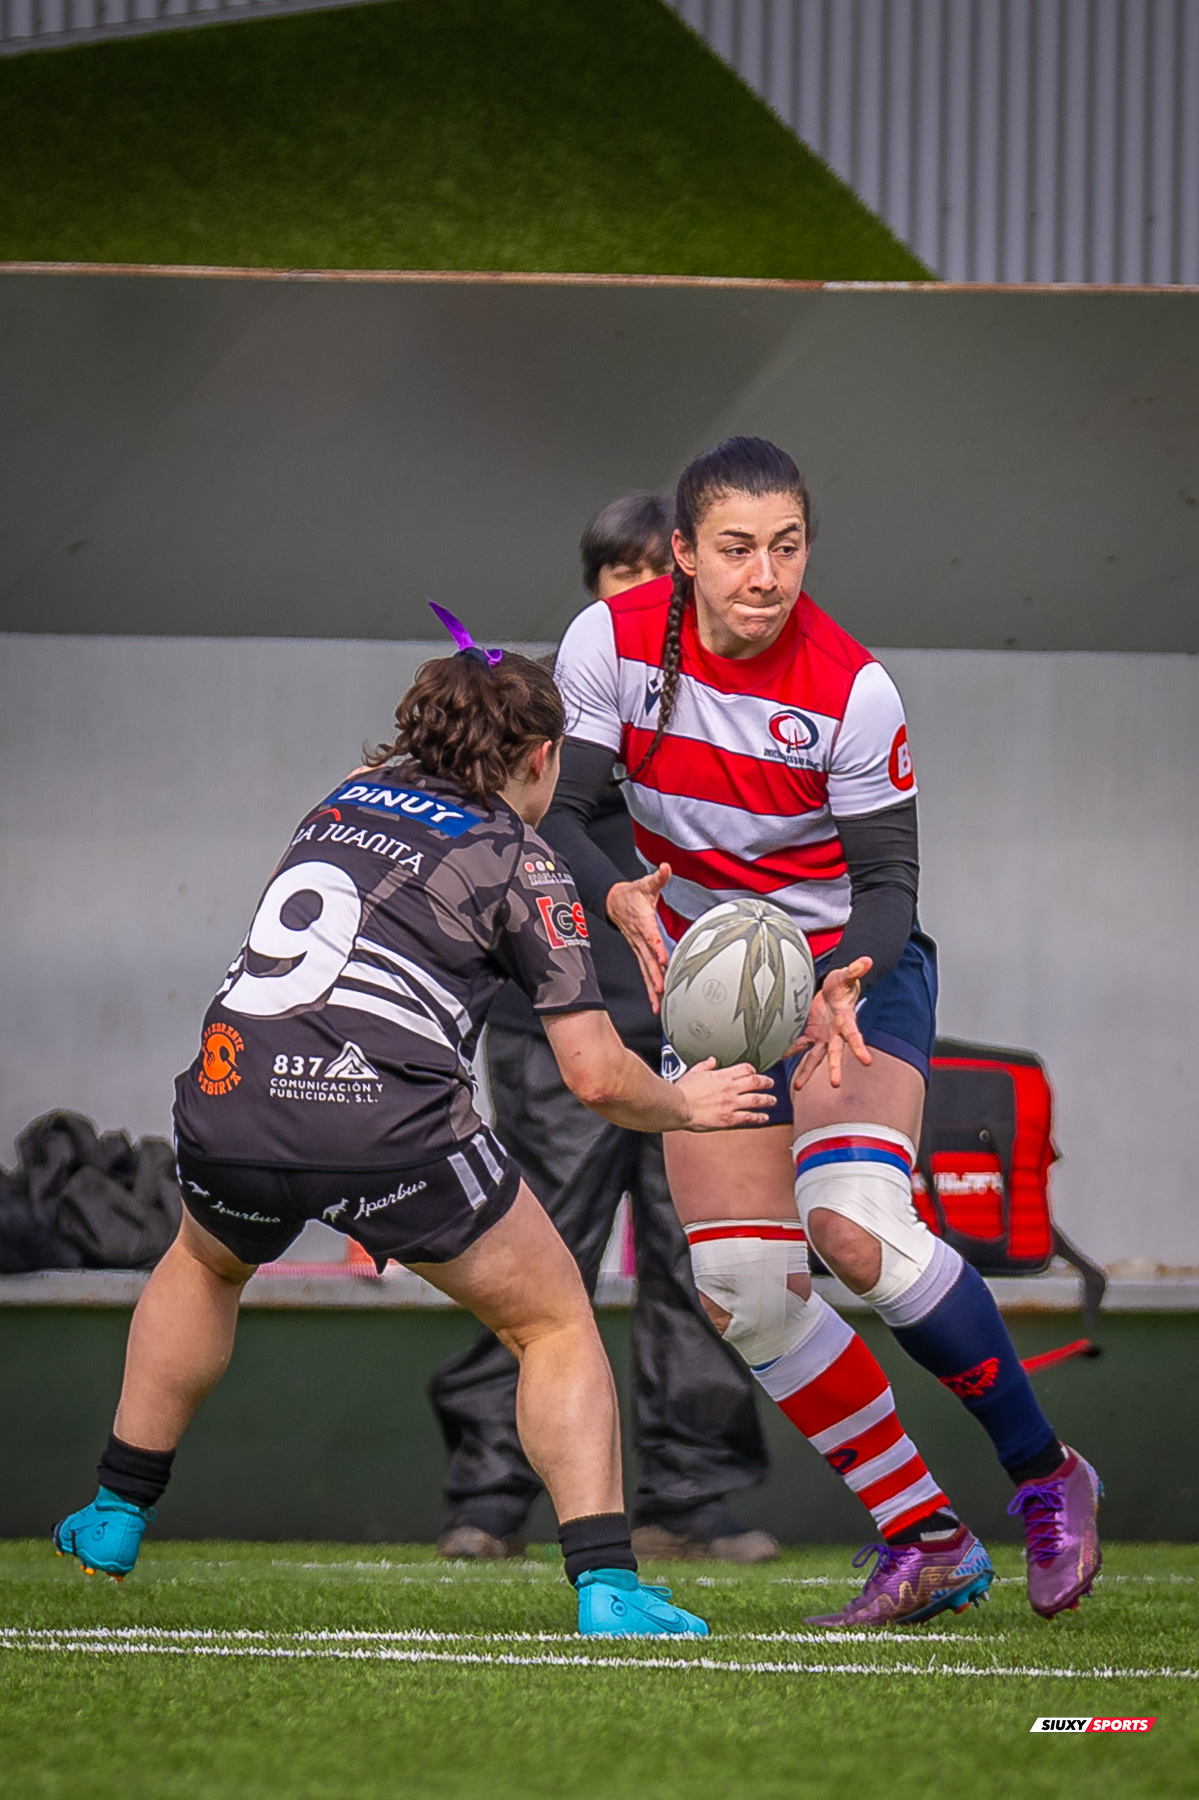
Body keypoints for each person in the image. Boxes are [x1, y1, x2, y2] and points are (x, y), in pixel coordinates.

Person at [52, 610, 779, 1638]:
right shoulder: (522, 860)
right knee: (553, 1323)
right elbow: (593, 1075)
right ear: (539, 756)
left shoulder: (340, 801)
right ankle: (608, 1586)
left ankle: (117, 1510)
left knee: (205, 1263)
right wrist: (689, 1107)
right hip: (381, 1125)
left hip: (230, 1100)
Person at [548, 436, 1102, 1626]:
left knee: (854, 1232)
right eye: (737, 549)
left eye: (786, 547)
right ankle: (926, 1538)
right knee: (743, 1284)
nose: (764, 575)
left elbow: (891, 885)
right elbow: (572, 810)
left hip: (851, 974)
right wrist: (617, 892)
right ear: (683, 554)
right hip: (714, 987)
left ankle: (1044, 1473)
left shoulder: (852, 688)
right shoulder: (608, 642)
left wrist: (851, 971)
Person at [430, 494, 777, 1565]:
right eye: (620, 579)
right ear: (594, 590)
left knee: (700, 1273)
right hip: (553, 1031)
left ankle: (689, 1500)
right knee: (531, 1265)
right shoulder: (541, 705)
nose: (640, 601)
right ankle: (488, 1499)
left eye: (656, 581)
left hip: (698, 1036)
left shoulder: (725, 703)